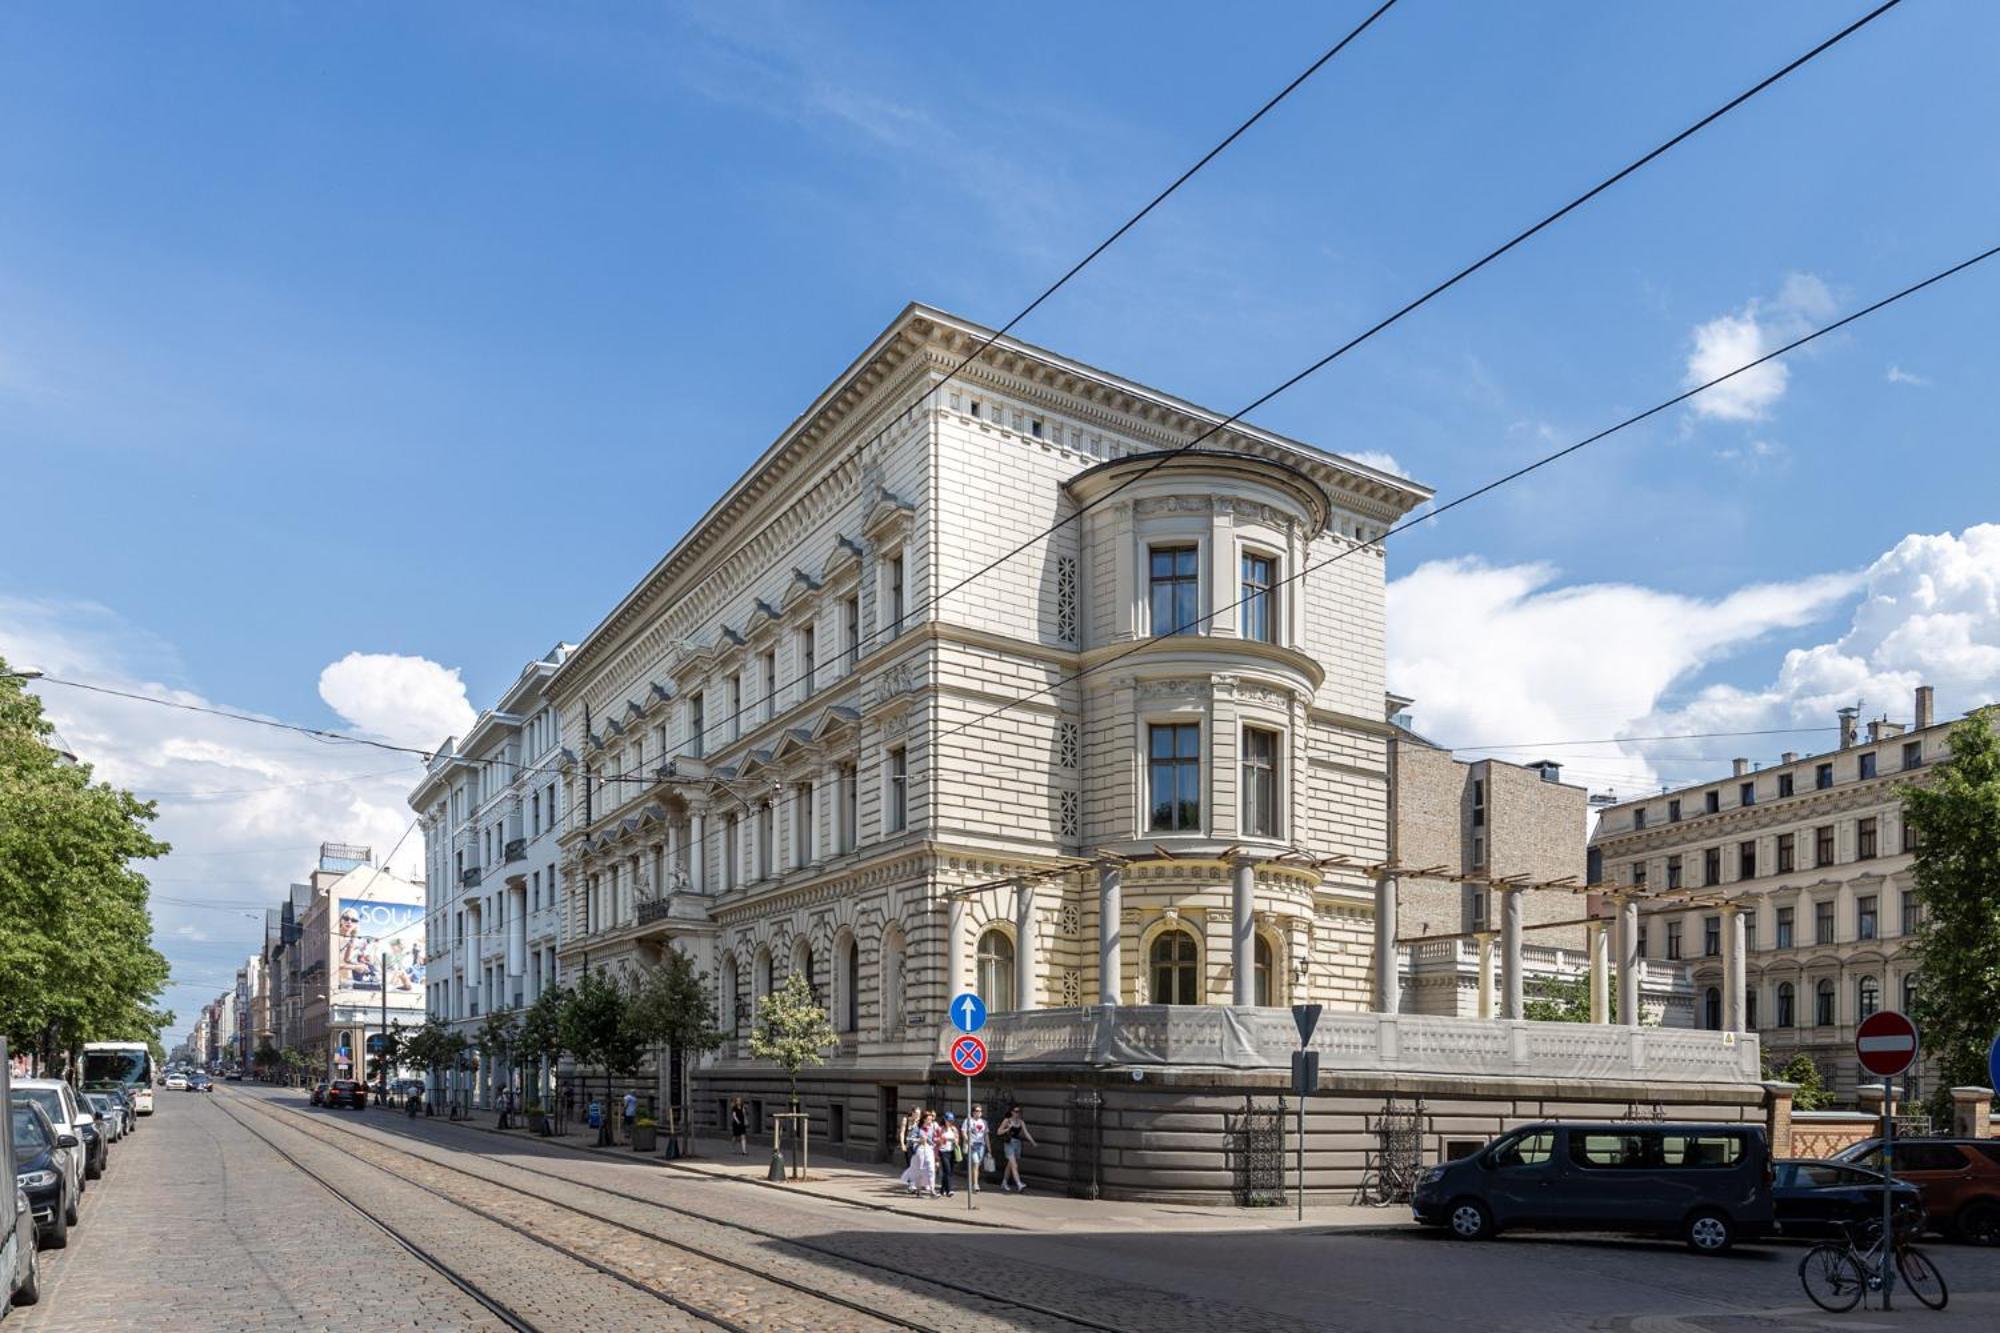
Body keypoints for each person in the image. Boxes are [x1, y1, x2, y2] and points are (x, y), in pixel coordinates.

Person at [997, 1104, 1035, 1193]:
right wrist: (1007, 1129)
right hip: (1009, 1143)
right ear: (1012, 1112)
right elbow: (998, 1132)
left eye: (1019, 1112)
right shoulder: (1007, 1121)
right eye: (1016, 1111)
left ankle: (1004, 1182)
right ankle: (1019, 1184)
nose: (1017, 1113)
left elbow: (1026, 1133)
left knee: (1010, 1165)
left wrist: (1032, 1141)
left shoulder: (1021, 1122)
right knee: (1014, 1165)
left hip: (1017, 1144)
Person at [965, 1105, 990, 1191]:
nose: (979, 1112)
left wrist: (989, 1149)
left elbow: (986, 1135)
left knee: (977, 1165)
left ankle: (973, 1181)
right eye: (977, 1110)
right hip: (973, 1144)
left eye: (980, 1111)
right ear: (973, 1112)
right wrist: (968, 1140)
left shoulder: (984, 1122)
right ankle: (975, 1184)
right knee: (975, 1163)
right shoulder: (968, 1121)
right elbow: (963, 1131)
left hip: (981, 1145)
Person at [936, 1112, 960, 1197]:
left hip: (952, 1151)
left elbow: (957, 1139)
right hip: (943, 1151)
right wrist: (940, 1139)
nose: (950, 1122)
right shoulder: (940, 1129)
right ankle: (949, 1190)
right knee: (947, 1170)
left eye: (951, 1121)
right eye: (948, 1120)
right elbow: (935, 1139)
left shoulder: (954, 1129)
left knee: (949, 1172)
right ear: (945, 1120)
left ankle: (942, 1189)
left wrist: (956, 1141)